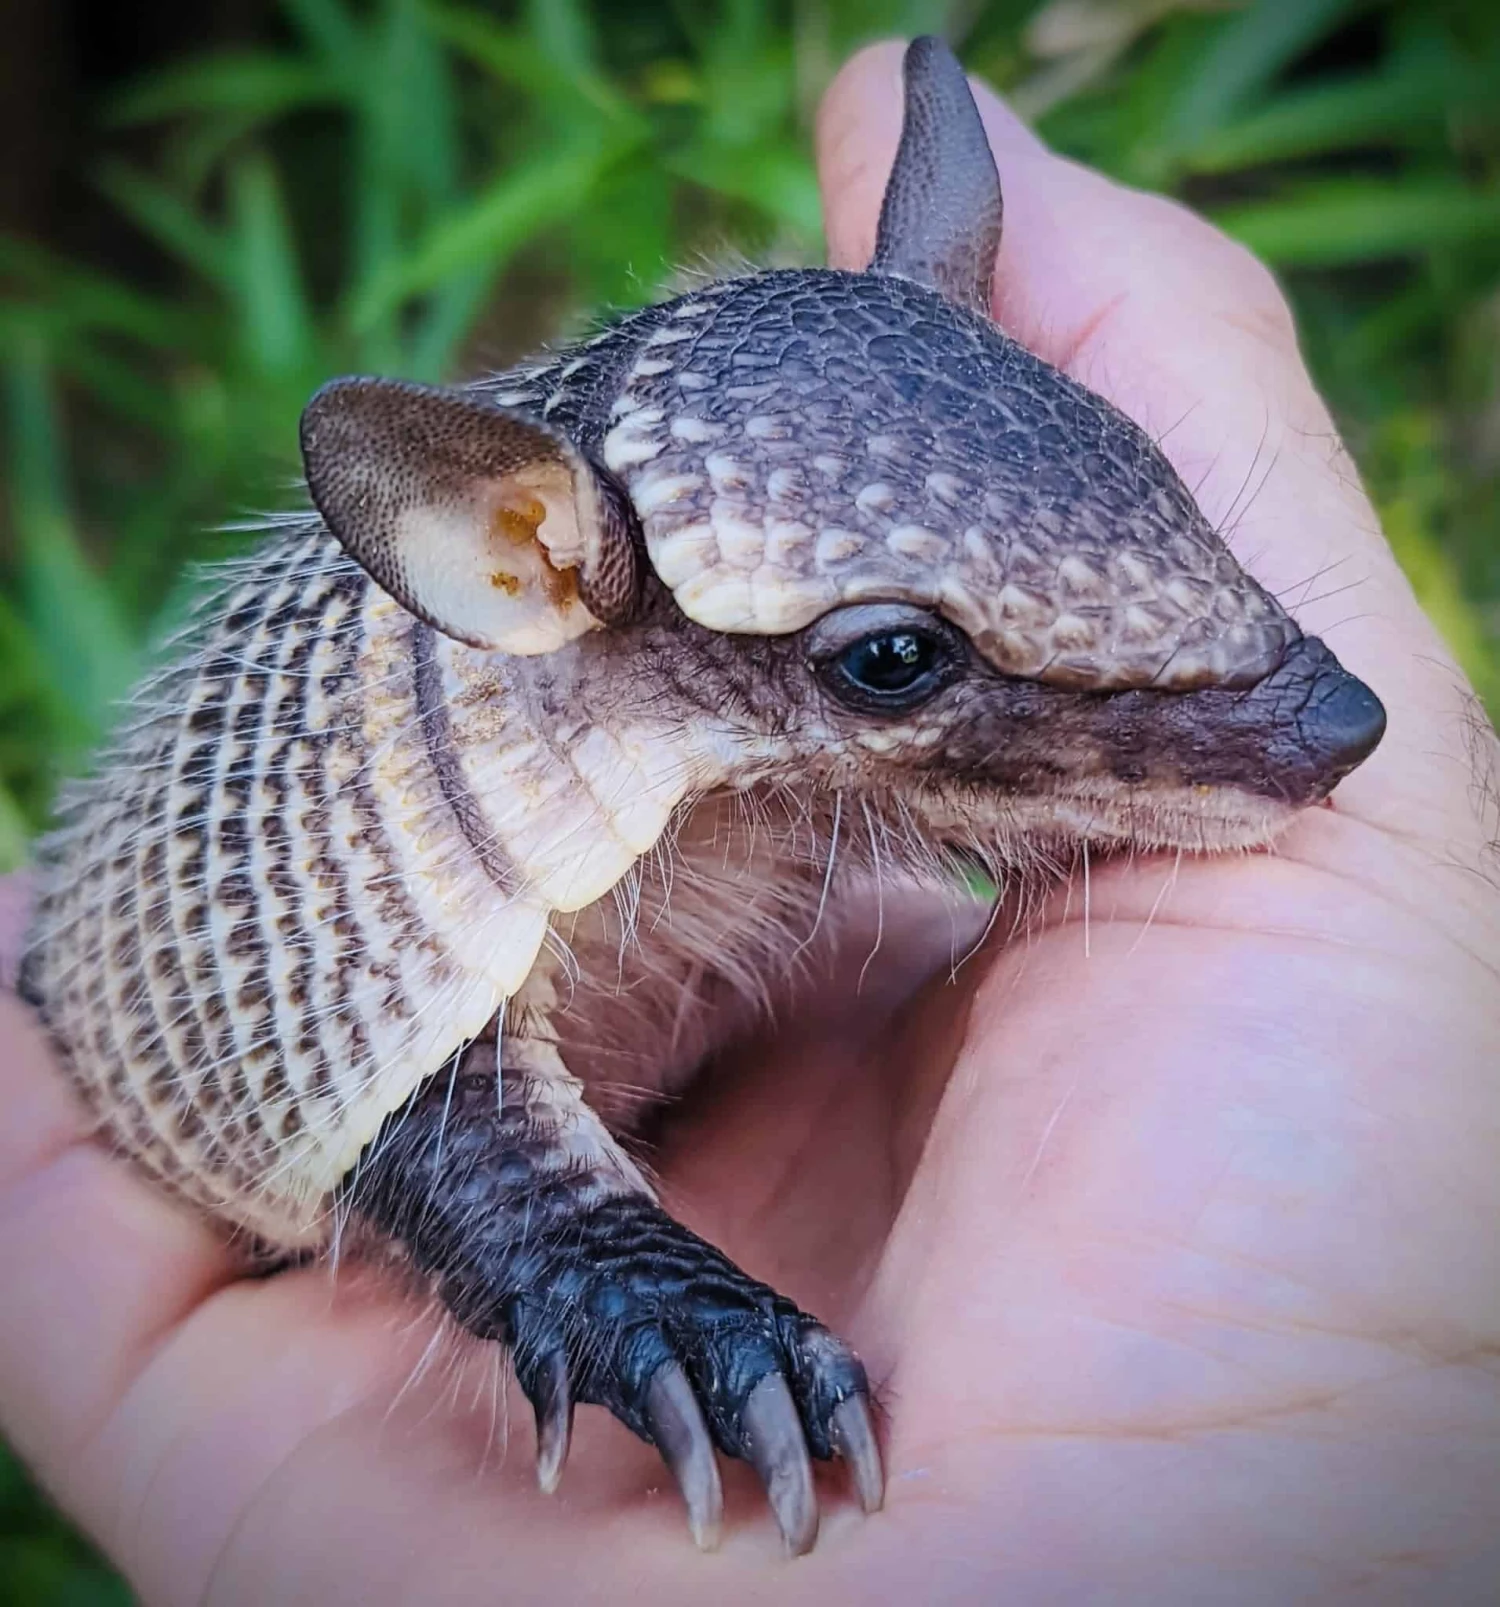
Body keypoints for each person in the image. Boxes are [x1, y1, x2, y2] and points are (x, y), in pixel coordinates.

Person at [1, 40, 1497, 1606]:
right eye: (887, 657)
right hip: (283, 1108)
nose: (1321, 725)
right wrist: (625, 1281)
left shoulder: (743, 637)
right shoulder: (511, 699)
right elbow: (435, 1126)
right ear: (520, 557)